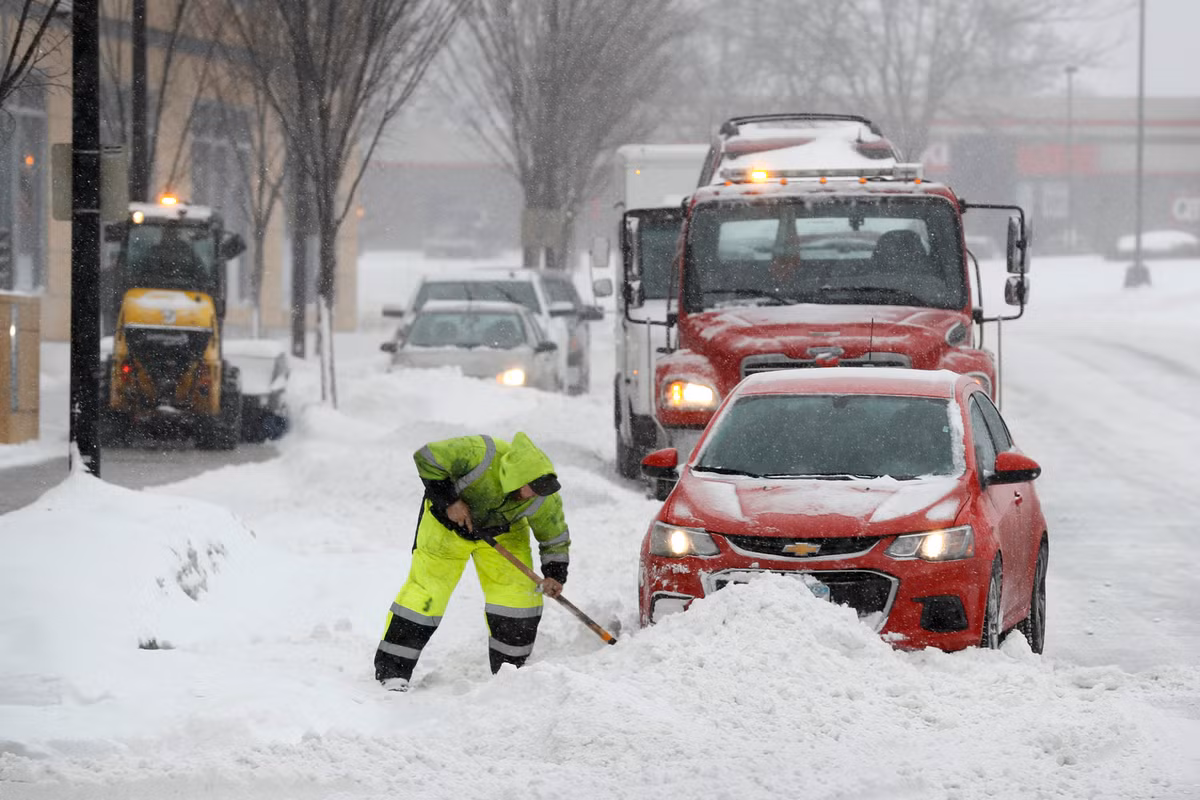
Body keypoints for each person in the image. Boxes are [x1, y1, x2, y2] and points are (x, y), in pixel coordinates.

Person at [374, 432, 570, 691]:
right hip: (446, 525)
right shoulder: (480, 453)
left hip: (503, 531)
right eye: (530, 489)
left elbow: (554, 535)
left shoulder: (542, 495)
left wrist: (555, 573)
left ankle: (512, 674)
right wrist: (450, 501)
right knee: (425, 595)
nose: (533, 496)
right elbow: (427, 457)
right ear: (515, 477)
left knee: (518, 598)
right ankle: (392, 673)